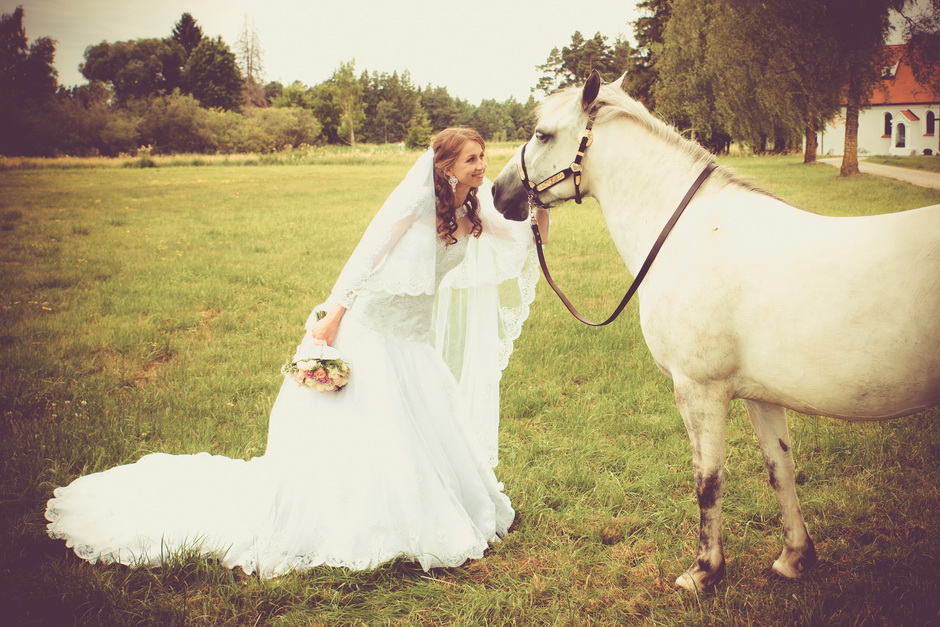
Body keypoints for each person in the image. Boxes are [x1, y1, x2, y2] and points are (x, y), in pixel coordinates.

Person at [45, 128, 547, 577]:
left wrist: (546, 202)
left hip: (413, 337)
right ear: (444, 167)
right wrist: (333, 313)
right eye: (471, 160)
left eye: (483, 157)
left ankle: (424, 506)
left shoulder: (473, 207)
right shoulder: (414, 204)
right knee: (370, 423)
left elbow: (522, 239)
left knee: (420, 423)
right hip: (372, 326)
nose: (481, 167)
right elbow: (365, 257)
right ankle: (360, 516)